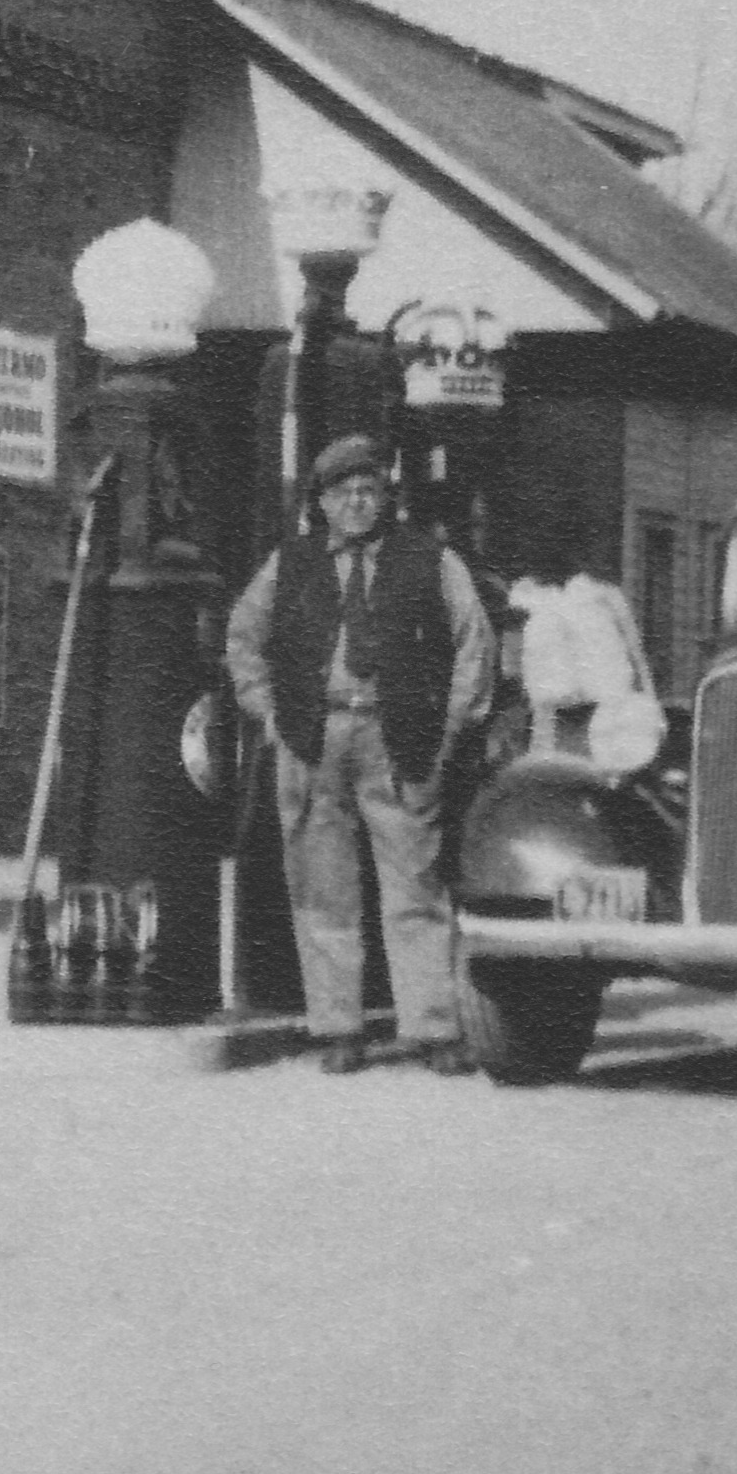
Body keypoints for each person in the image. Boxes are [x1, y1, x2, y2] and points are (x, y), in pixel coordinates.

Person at [224, 433, 496, 1074]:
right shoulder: (288, 563)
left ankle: (431, 1028)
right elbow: (244, 635)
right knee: (324, 888)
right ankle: (337, 1028)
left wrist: (452, 724)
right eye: (343, 493)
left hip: (398, 738)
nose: (356, 504)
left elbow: (474, 642)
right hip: (311, 738)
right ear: (321, 502)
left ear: (386, 497)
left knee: (415, 885)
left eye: (368, 491)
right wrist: (267, 712)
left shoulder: (430, 560)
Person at [504, 548, 651, 758]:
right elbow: (512, 661)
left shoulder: (603, 594)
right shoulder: (524, 596)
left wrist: (646, 709)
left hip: (604, 711)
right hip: (549, 714)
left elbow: (636, 657)